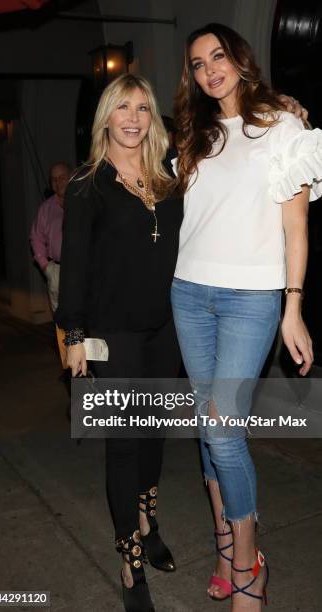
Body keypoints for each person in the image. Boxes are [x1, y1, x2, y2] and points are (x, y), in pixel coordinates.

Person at [171, 23, 320, 611]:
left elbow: (296, 225)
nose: (210, 69)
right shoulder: (193, 132)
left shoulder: (285, 125)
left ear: (238, 58)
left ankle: (248, 564)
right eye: (198, 63)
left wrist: (294, 307)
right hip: (188, 294)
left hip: (250, 299)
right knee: (211, 431)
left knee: (223, 430)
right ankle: (225, 546)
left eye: (219, 56)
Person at [56, 74, 183, 612]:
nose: (133, 118)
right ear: (105, 117)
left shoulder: (169, 175)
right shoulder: (88, 184)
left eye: (143, 108)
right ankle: (131, 560)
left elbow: (221, 134)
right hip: (114, 332)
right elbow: (77, 266)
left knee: (155, 433)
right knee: (125, 442)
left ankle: (148, 518)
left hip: (167, 328)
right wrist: (75, 335)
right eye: (122, 108)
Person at [30, 162, 71, 369]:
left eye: (62, 176)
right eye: (54, 179)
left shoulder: (83, 201)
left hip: (85, 272)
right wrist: (46, 267)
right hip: (58, 270)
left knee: (86, 319)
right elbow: (36, 238)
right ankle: (70, 368)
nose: (58, 181)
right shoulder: (46, 208)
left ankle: (90, 367)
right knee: (63, 322)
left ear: (71, 176)